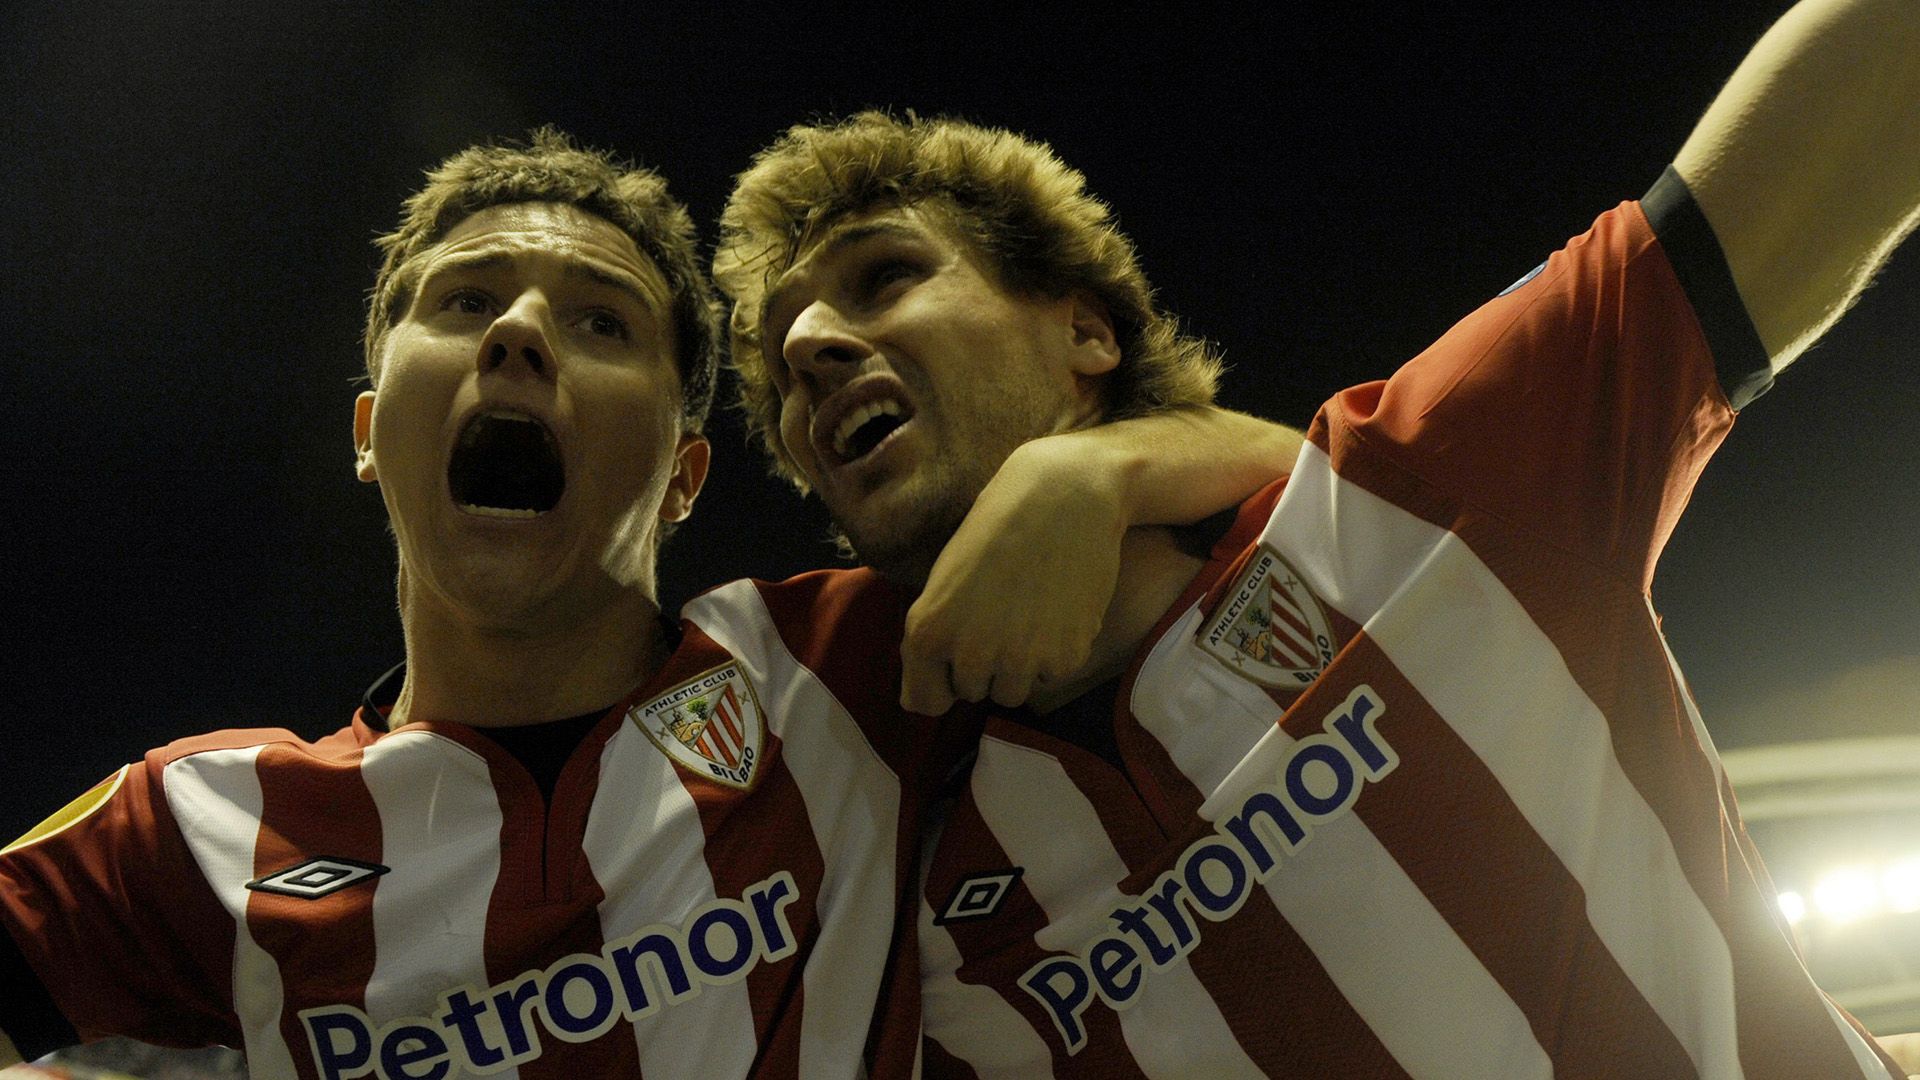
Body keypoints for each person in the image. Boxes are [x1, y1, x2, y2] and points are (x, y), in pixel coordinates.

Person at [711, 0, 1920, 1074]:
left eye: (882, 278)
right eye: (777, 366)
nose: (812, 345)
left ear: (1087, 333)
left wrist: (1110, 465)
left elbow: (1849, 108)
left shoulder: (1413, 490)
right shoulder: (879, 841)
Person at [0, 130, 1298, 1077]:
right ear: (366, 431)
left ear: (684, 478)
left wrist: (1103, 465)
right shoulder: (197, 821)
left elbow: (1302, 485)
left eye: (603, 324)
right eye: (462, 302)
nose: (517, 332)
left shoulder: (841, 671)